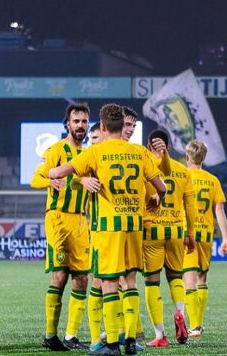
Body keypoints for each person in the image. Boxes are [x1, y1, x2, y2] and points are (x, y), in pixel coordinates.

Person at [48, 103, 168, 356]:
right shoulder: (139, 152)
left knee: (109, 283)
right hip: (134, 227)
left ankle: (111, 343)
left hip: (107, 228)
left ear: (102, 127)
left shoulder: (95, 152)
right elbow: (163, 188)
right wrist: (155, 199)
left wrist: (57, 172)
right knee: (132, 282)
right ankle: (132, 342)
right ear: (123, 126)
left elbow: (58, 172)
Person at [31, 104, 92, 351]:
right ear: (67, 124)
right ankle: (49, 335)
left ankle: (70, 336)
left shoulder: (89, 154)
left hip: (80, 220)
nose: (80, 125)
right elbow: (36, 179)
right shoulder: (56, 150)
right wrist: (50, 180)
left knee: (81, 279)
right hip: (57, 218)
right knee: (60, 275)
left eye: (84, 121)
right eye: (76, 121)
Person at [142, 130, 196, 348]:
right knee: (176, 277)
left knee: (151, 282)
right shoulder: (183, 171)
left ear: (148, 147)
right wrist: (190, 234)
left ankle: (160, 335)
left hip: (152, 230)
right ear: (169, 148)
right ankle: (180, 312)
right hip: (175, 230)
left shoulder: (145, 168)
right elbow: (190, 207)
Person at [182, 139, 227, 338]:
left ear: (187, 156)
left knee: (189, 280)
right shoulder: (212, 180)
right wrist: (226, 238)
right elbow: (219, 209)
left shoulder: (182, 176)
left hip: (187, 234)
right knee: (202, 278)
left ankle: (194, 325)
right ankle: (198, 324)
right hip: (206, 234)